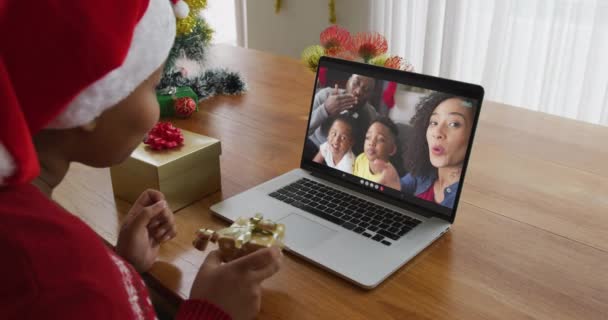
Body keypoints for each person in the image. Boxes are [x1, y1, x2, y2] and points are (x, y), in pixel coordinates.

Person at [0, 1, 281, 319]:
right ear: (92, 96)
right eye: (153, 87)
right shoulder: (68, 282)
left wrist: (122, 265)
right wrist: (212, 311)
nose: (158, 109)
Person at [400, 93, 476, 209]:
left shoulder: (466, 200)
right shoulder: (423, 173)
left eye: (454, 124)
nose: (437, 132)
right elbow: (397, 186)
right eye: (434, 122)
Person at [304, 74, 377, 159]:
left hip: (341, 158)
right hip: (314, 146)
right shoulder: (326, 95)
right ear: (348, 82)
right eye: (356, 83)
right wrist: (325, 109)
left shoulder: (370, 114)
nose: (358, 92)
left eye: (366, 90)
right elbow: (302, 130)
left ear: (370, 96)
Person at [353, 117, 404, 190]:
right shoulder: (361, 159)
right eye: (368, 137)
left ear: (392, 149)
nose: (371, 143)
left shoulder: (389, 177)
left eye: (380, 139)